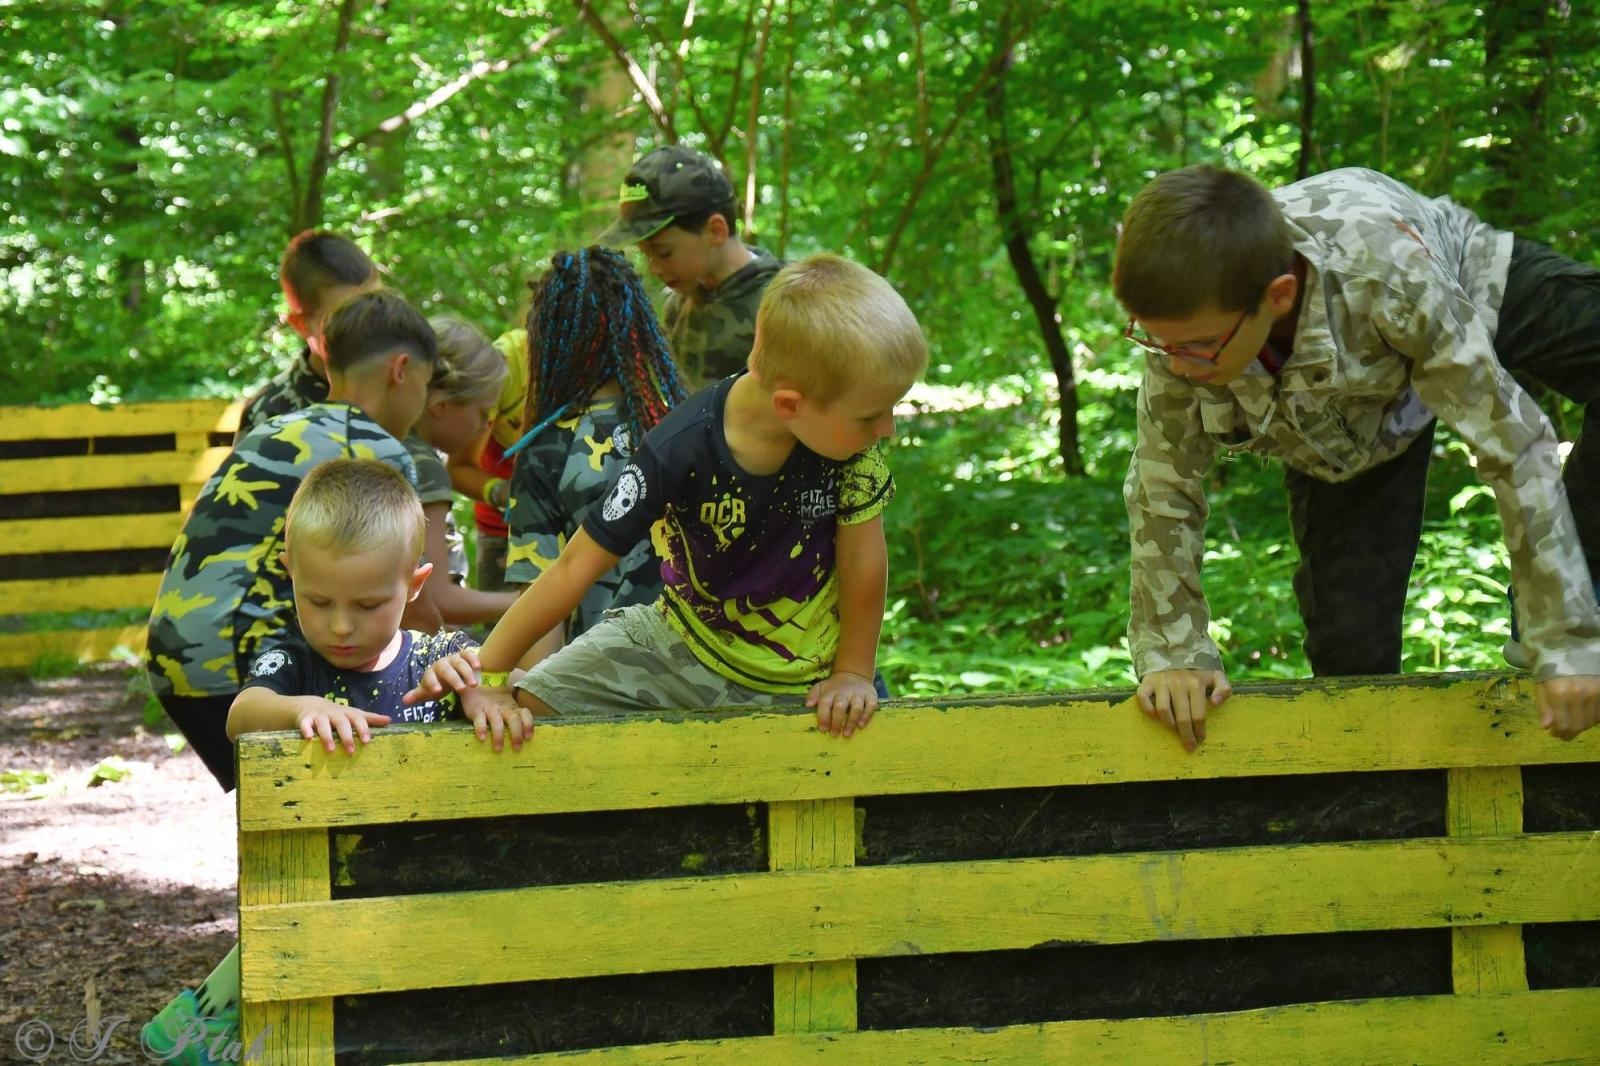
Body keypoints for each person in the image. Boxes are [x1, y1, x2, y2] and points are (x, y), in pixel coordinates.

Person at [1115, 164, 1600, 750]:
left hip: (1459, 282)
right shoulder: (1186, 329)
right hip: (1347, 426)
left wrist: (1563, 633)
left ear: (1278, 296)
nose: (1177, 364)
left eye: (1195, 346)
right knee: (1352, 667)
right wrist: (1174, 653)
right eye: (1155, 341)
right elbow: (1162, 483)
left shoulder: (1389, 274)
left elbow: (1512, 443)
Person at [408, 253, 927, 741]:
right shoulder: (678, 447)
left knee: (881, 773)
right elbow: (572, 568)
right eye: (871, 416)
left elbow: (863, 559)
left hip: (809, 668)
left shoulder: (851, 449)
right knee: (524, 710)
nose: (886, 431)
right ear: (791, 404)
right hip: (681, 644)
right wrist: (494, 674)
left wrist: (854, 672)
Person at [142, 460, 526, 1065]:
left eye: (369, 604)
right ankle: (207, 1026)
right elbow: (243, 713)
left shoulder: (441, 657)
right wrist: (298, 708)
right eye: (317, 600)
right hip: (320, 885)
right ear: (290, 572)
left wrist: (479, 689)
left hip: (431, 895)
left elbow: (509, 688)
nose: (340, 626)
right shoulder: (294, 660)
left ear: (416, 583)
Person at [146, 290, 438, 792]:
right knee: (312, 792)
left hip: (173, 650)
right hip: (244, 661)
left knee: (280, 799)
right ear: (402, 371)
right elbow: (412, 602)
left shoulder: (275, 425)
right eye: (428, 386)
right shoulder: (376, 451)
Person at [503, 247, 689, 644]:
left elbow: (538, 614)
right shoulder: (691, 424)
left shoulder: (547, 449)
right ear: (639, 328)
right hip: (706, 676)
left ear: (548, 337)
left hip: (598, 686)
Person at [598, 144, 784, 383]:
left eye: (664, 252)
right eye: (646, 254)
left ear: (715, 230)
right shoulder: (678, 306)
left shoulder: (784, 303)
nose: (654, 268)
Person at [408, 315, 521, 627]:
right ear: (441, 405)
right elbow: (438, 600)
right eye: (483, 412)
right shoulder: (423, 467)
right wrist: (533, 599)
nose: (487, 425)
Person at [236, 230, 381, 440]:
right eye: (344, 317)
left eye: (377, 305)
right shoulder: (271, 414)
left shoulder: (409, 378)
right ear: (302, 325)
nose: (368, 327)